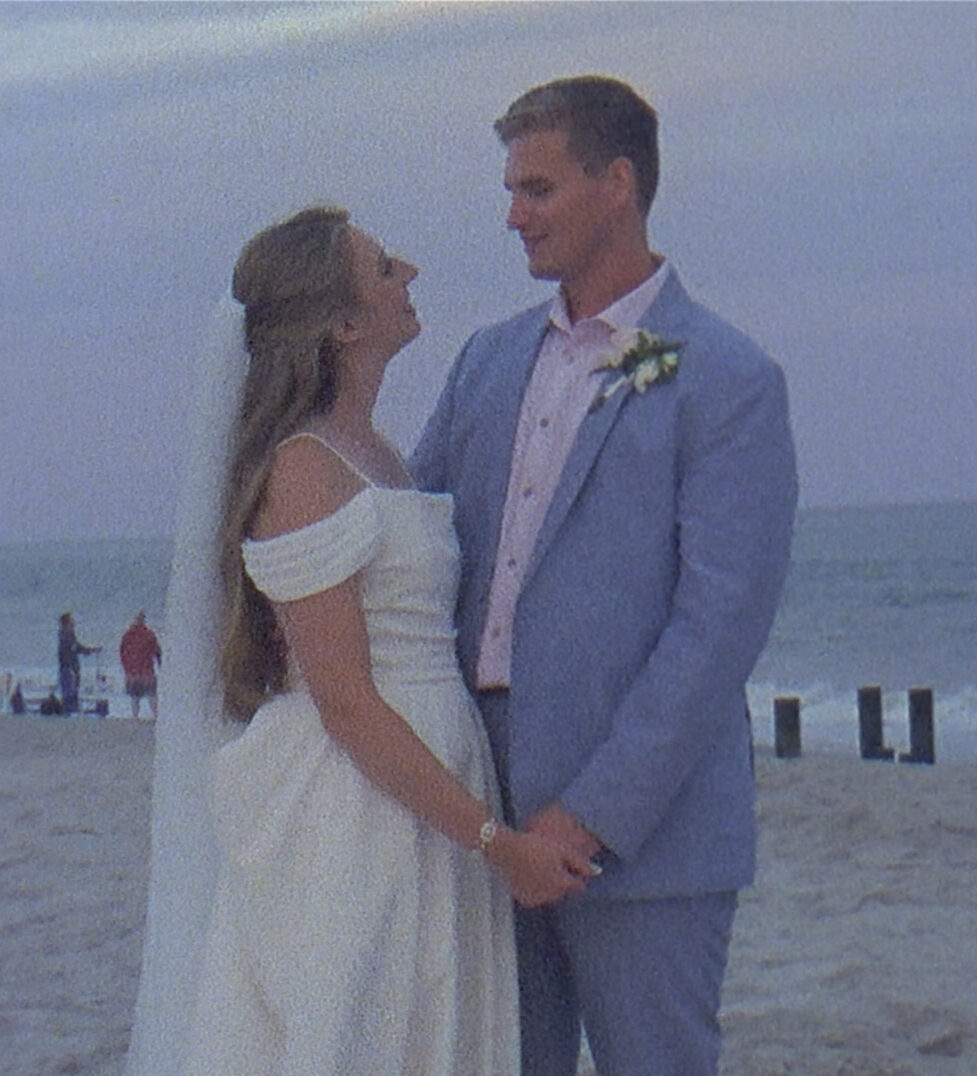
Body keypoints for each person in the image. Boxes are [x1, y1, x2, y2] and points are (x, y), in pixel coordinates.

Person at [125, 206, 597, 1076]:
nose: (409, 272)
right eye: (384, 268)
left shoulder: (377, 452)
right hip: (358, 804)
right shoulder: (303, 467)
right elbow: (343, 699)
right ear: (341, 324)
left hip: (425, 774)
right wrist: (493, 840)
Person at [411, 76, 798, 1076]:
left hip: (646, 839)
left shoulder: (724, 375)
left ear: (616, 183)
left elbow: (716, 628)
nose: (512, 214)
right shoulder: (484, 363)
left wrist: (587, 817)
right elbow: (416, 550)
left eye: (536, 188)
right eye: (510, 189)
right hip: (485, 824)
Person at [119, 611, 162, 718]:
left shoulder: (127, 635)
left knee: (135, 697)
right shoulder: (149, 635)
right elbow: (157, 651)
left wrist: (126, 667)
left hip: (133, 671)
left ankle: (135, 716)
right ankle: (156, 716)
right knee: (152, 695)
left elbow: (122, 653)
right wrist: (161, 664)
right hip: (147, 670)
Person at [57, 612, 101, 714]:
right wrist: (89, 650)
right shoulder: (65, 635)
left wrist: (90, 650)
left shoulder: (68, 635)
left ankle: (70, 711)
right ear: (67, 623)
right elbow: (75, 648)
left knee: (71, 692)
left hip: (71, 668)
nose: (74, 622)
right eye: (71, 620)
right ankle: (68, 711)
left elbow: (77, 648)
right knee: (69, 693)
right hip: (68, 668)